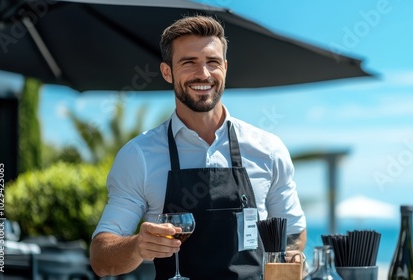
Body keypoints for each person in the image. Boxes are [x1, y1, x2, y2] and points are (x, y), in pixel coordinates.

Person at [89, 15, 307, 280]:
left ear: (225, 68)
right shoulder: (138, 156)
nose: (203, 74)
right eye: (189, 62)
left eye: (212, 62)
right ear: (167, 71)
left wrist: (290, 257)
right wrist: (138, 246)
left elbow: (293, 232)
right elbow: (102, 260)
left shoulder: (269, 150)